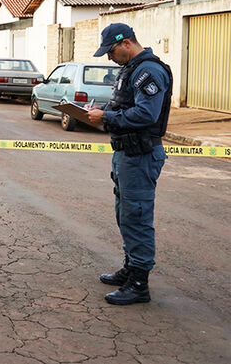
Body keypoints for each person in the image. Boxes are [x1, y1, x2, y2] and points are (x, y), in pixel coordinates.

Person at [86, 23, 172, 305]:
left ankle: (139, 283)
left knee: (137, 216)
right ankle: (131, 266)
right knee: (125, 214)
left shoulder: (150, 71)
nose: (109, 58)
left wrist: (107, 119)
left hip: (141, 154)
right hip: (126, 153)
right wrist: (101, 112)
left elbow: (146, 114)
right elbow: (123, 106)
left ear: (125, 43)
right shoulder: (130, 70)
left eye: (110, 52)